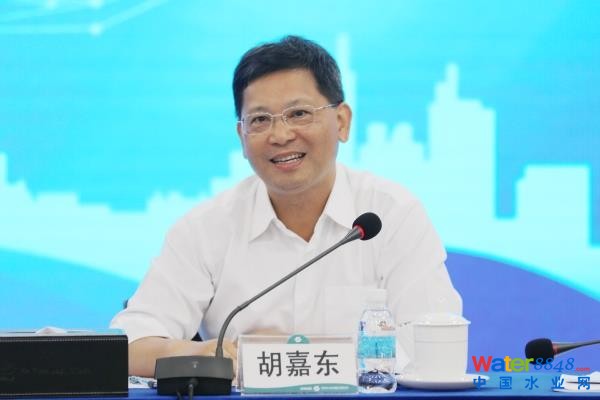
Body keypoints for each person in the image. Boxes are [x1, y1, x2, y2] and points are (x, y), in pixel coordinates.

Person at [110, 35, 462, 377]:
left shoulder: (392, 215)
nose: (280, 135)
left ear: (342, 122)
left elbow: (436, 346)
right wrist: (205, 354)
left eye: (299, 113)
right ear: (242, 137)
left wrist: (291, 359)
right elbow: (126, 346)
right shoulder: (205, 228)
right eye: (260, 120)